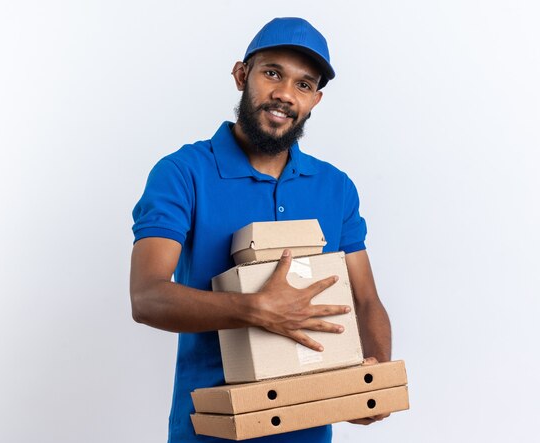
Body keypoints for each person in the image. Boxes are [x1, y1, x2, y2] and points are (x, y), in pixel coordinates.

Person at [130, 17, 392, 443]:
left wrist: (373, 378)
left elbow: (366, 299)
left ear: (316, 100)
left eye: (304, 85)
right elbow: (147, 297)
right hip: (211, 430)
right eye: (272, 73)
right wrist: (257, 308)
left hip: (309, 430)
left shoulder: (336, 187)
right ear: (241, 75)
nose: (285, 94)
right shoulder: (183, 173)